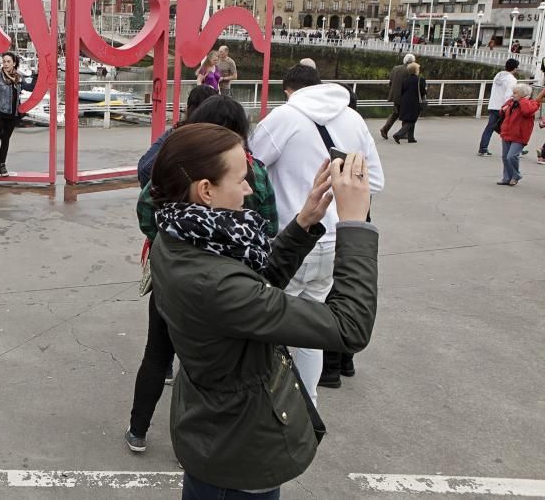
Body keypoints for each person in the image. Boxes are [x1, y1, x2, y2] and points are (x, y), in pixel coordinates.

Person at [150, 123, 378, 499]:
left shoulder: (178, 233)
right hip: (239, 453)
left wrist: (305, 221)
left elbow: (253, 286)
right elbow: (348, 327)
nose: (249, 189)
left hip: (216, 434)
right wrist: (354, 224)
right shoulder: (214, 281)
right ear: (206, 190)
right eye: (241, 179)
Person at [126, 97, 279, 455]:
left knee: (156, 352)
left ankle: (138, 429)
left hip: (172, 278)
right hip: (231, 282)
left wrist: (167, 241)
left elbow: (146, 211)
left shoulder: (176, 165)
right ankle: (194, 445)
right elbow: (270, 224)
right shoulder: (252, 169)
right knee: (204, 365)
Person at [249, 65, 384, 402]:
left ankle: (268, 404)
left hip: (291, 238)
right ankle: (307, 402)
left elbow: (247, 172)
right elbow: (376, 181)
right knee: (313, 329)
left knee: (271, 325)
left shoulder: (282, 119)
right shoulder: (352, 119)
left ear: (288, 90)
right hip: (336, 238)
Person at [137, 86, 218, 187]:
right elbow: (147, 171)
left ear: (188, 107)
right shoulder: (193, 137)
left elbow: (143, 168)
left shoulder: (175, 130)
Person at [0, 52, 34, 177]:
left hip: (12, 115)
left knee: (6, 140)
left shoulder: (18, 78)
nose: (6, 64)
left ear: (14, 63)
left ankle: (2, 164)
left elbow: (30, 87)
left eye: (8, 61)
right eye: (4, 61)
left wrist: (36, 74)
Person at [497, 83, 545, 185]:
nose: (513, 95)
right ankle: (507, 178)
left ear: (522, 94)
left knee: (512, 156)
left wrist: (522, 100)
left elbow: (527, 111)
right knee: (505, 157)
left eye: (515, 93)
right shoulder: (511, 102)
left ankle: (516, 175)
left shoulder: (532, 103)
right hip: (507, 132)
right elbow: (502, 111)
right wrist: (503, 110)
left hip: (520, 135)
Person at [478, 58, 520, 156]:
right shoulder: (512, 79)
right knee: (510, 128)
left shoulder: (498, 75)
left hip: (493, 104)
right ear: (514, 68)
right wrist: (508, 106)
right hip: (503, 106)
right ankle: (516, 148)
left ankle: (483, 148)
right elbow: (509, 94)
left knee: (491, 127)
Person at [379, 53, 414, 140]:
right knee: (406, 114)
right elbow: (410, 84)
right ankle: (399, 132)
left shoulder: (395, 68)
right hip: (405, 96)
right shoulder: (410, 70)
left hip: (395, 95)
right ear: (412, 62)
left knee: (396, 113)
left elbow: (390, 81)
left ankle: (387, 129)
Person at [392, 62, 427, 144]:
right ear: (416, 70)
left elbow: (402, 90)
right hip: (414, 101)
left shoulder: (405, 80)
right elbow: (423, 92)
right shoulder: (420, 80)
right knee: (412, 120)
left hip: (405, 101)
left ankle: (411, 137)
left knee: (409, 118)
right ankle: (398, 134)